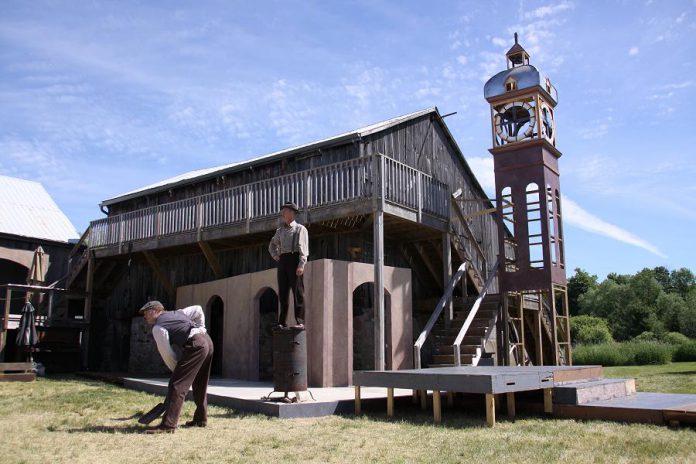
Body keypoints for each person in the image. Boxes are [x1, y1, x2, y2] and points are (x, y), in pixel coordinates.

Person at [139, 300, 214, 434]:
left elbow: (167, 354)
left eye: (146, 313)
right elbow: (198, 309)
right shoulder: (177, 313)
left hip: (196, 345)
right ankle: (200, 419)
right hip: (207, 340)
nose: (144, 317)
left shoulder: (158, 328)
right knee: (200, 382)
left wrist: (177, 372)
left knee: (177, 385)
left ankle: (168, 425)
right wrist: (201, 328)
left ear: (155, 311)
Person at [268, 201, 309, 329]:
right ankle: (281, 322)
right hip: (283, 260)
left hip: (294, 259)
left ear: (291, 213)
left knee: (298, 292)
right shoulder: (279, 231)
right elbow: (272, 245)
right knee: (283, 292)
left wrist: (301, 264)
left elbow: (304, 249)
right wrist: (275, 255)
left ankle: (300, 321)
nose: (282, 213)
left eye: (284, 211)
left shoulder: (300, 229)